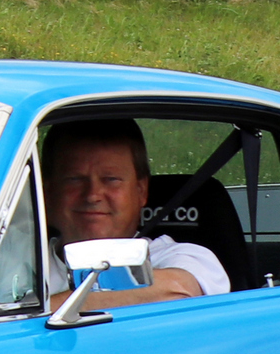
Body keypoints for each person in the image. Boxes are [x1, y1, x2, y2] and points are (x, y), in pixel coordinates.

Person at [42, 118, 228, 310]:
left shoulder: (183, 257)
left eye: (111, 179)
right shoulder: (25, 265)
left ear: (141, 191)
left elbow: (179, 289)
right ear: (47, 192)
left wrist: (33, 313)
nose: (93, 195)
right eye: (74, 179)